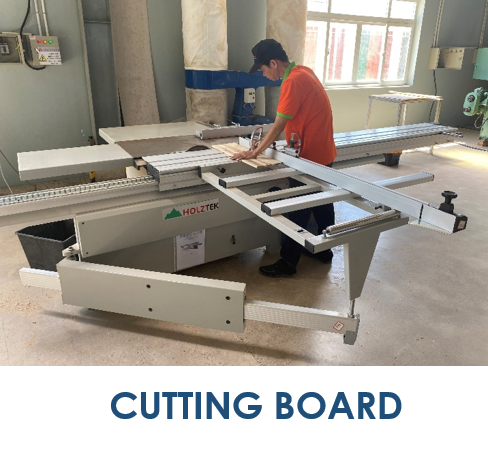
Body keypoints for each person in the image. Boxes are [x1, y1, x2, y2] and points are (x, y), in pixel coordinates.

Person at [231, 39, 337, 277]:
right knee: (322, 202)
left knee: (297, 207)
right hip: (323, 151)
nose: (263, 74)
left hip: (309, 157)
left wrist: (255, 152)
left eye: (263, 69)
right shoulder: (304, 72)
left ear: (273, 63)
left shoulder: (292, 81)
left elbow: (279, 124)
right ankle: (324, 251)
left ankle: (288, 263)